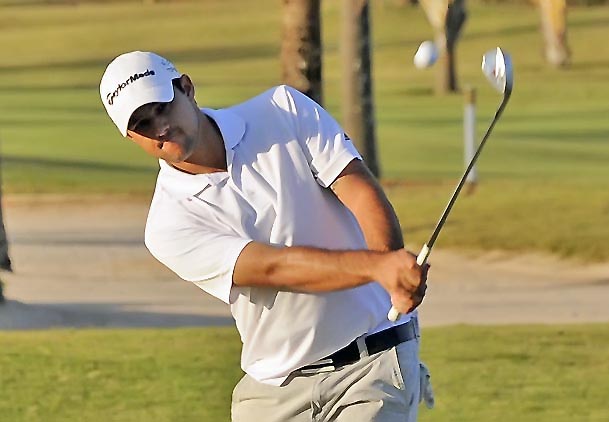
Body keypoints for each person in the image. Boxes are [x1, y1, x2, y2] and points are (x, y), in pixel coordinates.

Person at [99, 51, 433, 421]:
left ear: (187, 88)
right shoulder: (167, 225)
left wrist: (390, 265)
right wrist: (378, 267)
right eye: (143, 124)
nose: (159, 127)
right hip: (274, 389)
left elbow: (356, 187)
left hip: (372, 363)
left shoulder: (282, 110)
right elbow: (273, 269)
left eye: (162, 107)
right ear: (131, 137)